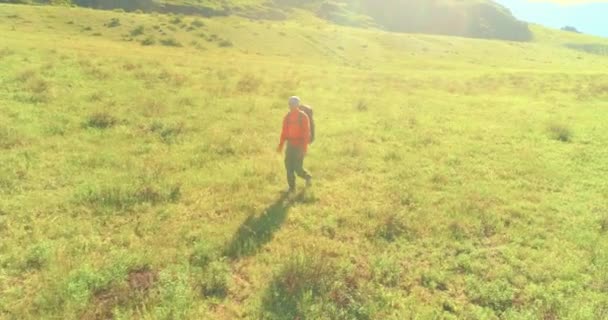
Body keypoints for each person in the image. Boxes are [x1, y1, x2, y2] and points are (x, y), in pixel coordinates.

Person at [277, 96, 313, 193]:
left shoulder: (303, 117)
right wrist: (281, 145)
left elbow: (306, 134)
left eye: (293, 104)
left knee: (297, 168)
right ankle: (291, 187)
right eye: (290, 104)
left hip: (299, 146)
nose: (291, 106)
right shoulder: (287, 117)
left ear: (297, 105)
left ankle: (307, 177)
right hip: (290, 146)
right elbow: (284, 133)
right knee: (288, 167)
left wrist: (304, 148)